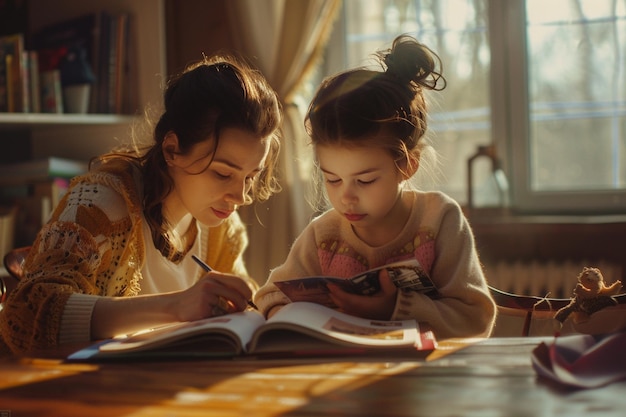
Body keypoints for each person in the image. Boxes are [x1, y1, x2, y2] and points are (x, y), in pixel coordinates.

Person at [0, 54, 283, 353]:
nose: (240, 196)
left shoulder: (222, 228)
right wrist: (177, 306)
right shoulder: (103, 205)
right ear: (172, 150)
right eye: (223, 173)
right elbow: (28, 314)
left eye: (251, 176)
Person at [254, 35, 496, 339]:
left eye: (365, 180)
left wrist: (397, 307)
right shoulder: (323, 234)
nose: (346, 197)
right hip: (342, 375)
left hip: (428, 379)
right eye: (332, 179)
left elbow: (475, 320)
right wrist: (288, 316)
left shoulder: (439, 220)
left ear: (408, 165)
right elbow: (269, 296)